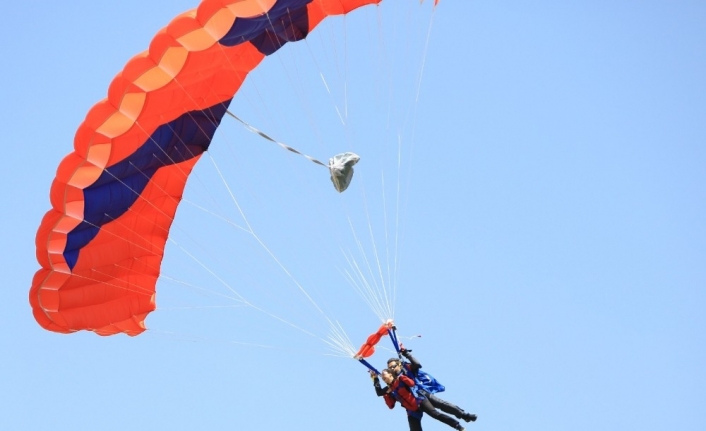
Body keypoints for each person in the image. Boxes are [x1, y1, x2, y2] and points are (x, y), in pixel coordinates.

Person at [387, 347, 477, 423]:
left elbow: (417, 364)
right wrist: (375, 380)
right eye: (389, 368)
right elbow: (386, 396)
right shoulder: (391, 381)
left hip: (420, 394)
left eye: (393, 366)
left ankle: (463, 414)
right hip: (411, 405)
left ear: (399, 364)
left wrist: (407, 354)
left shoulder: (407, 368)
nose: (392, 369)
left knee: (441, 404)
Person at [371, 368, 466, 431]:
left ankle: (457, 426)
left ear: (391, 375)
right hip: (411, 411)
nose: (383, 378)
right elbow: (380, 393)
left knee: (435, 414)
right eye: (382, 378)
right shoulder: (389, 390)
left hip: (420, 402)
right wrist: (375, 379)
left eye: (384, 376)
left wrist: (403, 377)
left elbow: (412, 384)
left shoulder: (400, 380)